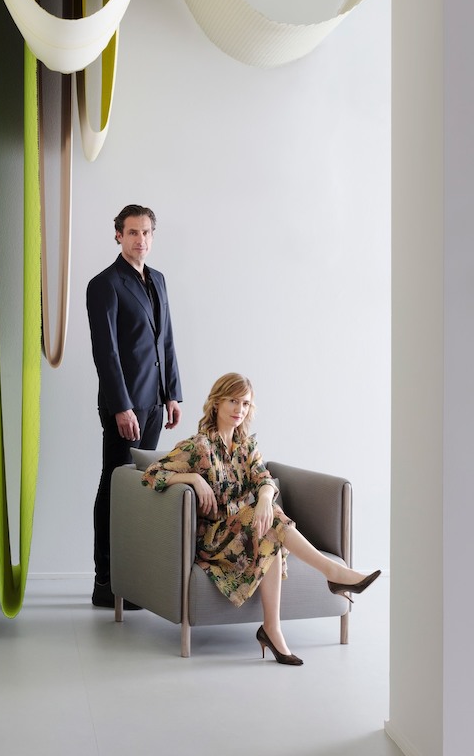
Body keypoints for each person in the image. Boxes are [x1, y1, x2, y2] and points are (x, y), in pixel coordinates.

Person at [141, 372, 381, 665]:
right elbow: (152, 473)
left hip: (244, 530)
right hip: (214, 539)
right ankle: (333, 574)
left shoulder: (247, 447)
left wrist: (266, 498)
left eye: (244, 404)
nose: (238, 410)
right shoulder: (198, 447)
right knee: (273, 524)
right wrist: (192, 478)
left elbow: (264, 479)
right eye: (232, 401)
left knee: (271, 528)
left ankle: (273, 628)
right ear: (216, 403)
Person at [86, 204, 182, 608]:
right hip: (124, 407)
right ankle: (105, 582)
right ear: (118, 236)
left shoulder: (157, 280)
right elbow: (105, 353)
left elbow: (167, 341)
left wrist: (172, 393)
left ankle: (133, 579)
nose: (139, 240)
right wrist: (122, 406)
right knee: (115, 486)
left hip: (155, 403)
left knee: (143, 489)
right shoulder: (104, 284)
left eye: (145, 233)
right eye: (132, 233)